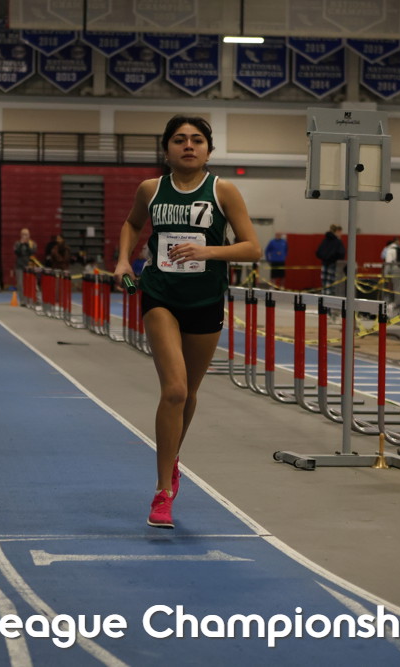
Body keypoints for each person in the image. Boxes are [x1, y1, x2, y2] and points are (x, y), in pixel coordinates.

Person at [113, 115, 260, 529]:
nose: (189, 146)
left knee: (190, 392)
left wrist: (207, 252)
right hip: (160, 295)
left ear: (208, 151)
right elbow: (132, 223)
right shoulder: (151, 189)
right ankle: (163, 491)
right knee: (174, 389)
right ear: (167, 150)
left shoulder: (223, 191)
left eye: (197, 140)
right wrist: (123, 260)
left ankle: (172, 455)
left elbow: (252, 248)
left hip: (206, 299)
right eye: (179, 140)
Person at [315, 224, 345, 296]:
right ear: (337, 231)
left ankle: (324, 297)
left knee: (324, 285)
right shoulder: (337, 242)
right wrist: (333, 258)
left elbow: (318, 252)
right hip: (333, 265)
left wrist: (325, 258)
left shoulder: (325, 240)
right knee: (332, 285)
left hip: (324, 264)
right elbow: (341, 254)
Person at [13, 227, 36, 305]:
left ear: (29, 235)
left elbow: (32, 252)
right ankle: (22, 300)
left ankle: (30, 299)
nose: (24, 236)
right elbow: (16, 252)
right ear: (20, 235)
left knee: (29, 284)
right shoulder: (17, 243)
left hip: (29, 266)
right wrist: (21, 244)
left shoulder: (32, 243)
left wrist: (27, 244)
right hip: (19, 266)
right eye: (23, 234)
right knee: (20, 284)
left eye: (26, 234)